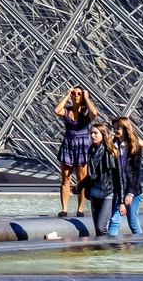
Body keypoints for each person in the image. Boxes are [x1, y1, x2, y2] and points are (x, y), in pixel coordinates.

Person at [54, 87, 98, 218]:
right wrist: (67, 95)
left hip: (82, 146)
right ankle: (64, 209)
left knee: (82, 180)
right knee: (65, 178)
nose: (76, 96)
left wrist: (86, 98)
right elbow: (57, 110)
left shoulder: (86, 112)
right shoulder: (66, 111)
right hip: (68, 144)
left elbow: (94, 112)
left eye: (79, 94)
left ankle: (80, 209)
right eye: (74, 93)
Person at [109, 116, 143, 236]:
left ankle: (139, 247)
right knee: (114, 221)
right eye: (114, 128)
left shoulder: (135, 147)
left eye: (118, 128)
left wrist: (131, 193)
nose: (116, 130)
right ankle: (112, 248)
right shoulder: (112, 146)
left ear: (126, 128)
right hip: (117, 189)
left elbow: (136, 172)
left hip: (132, 190)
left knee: (133, 223)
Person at [83, 124, 120, 236]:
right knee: (98, 229)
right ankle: (101, 252)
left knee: (101, 227)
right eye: (91, 133)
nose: (93, 135)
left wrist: (121, 199)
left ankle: (113, 249)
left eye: (96, 133)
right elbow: (90, 174)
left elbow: (118, 176)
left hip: (107, 192)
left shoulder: (110, 151)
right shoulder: (91, 150)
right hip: (95, 191)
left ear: (103, 134)